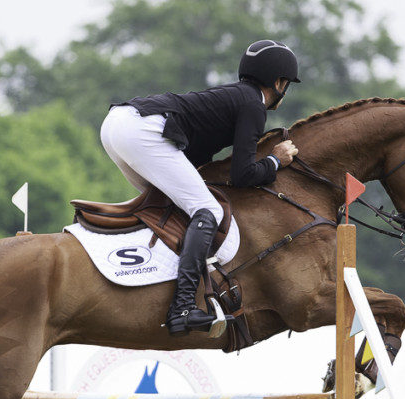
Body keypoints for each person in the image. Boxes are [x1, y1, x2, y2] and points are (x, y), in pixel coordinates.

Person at [101, 39, 300, 335]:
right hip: (141, 130)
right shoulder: (253, 104)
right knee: (207, 210)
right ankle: (182, 306)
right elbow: (242, 175)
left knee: (169, 207)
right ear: (280, 82)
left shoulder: (236, 97)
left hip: (118, 124)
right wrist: (275, 160)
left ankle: (147, 278)